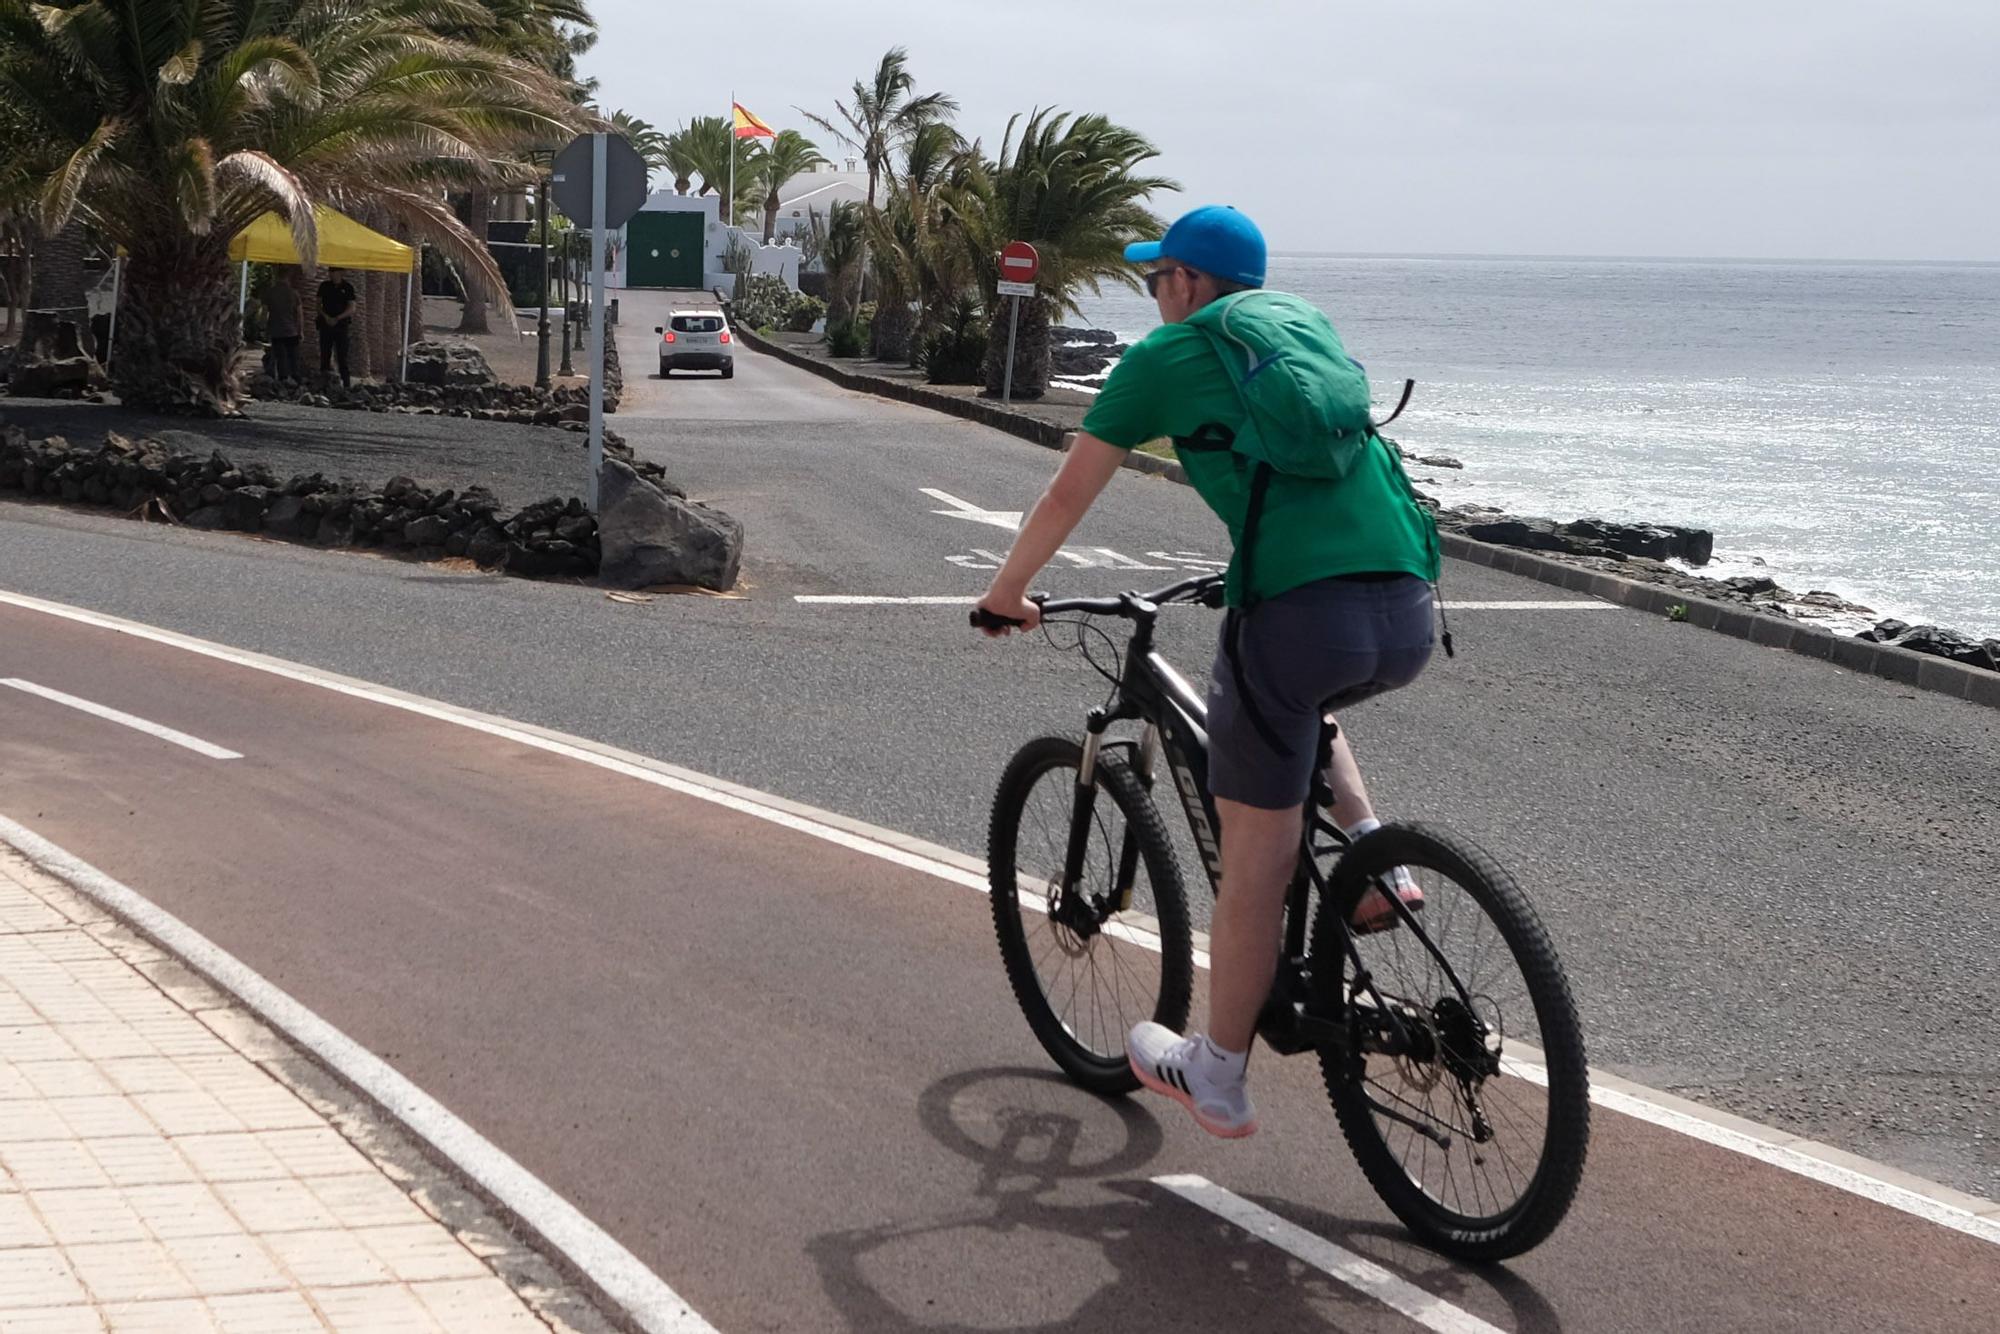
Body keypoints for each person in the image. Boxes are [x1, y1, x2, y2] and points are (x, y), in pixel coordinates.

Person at [973, 206, 1441, 1140]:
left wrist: (1007, 593)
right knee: (1302, 711)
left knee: (1253, 858)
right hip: (1409, 601)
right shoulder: (1302, 330)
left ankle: (1218, 1073)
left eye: (1158, 280)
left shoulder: (1165, 359)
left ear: (1187, 283)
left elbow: (1071, 488)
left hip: (1304, 615)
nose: (1154, 297)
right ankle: (1374, 857)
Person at [316, 268, 358, 387]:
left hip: (341, 326)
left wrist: (338, 318)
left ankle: (346, 383)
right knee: (325, 353)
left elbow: (352, 308)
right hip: (325, 324)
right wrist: (326, 317)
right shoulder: (324, 286)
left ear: (341, 273)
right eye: (330, 272)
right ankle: (323, 383)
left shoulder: (348, 287)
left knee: (342, 356)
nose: (332, 274)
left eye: (334, 272)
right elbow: (318, 304)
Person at [265, 275, 302, 384]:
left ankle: (283, 379)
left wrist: (264, 327)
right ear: (288, 278)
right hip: (291, 330)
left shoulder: (270, 292)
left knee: (281, 356)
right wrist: (300, 330)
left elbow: (264, 311)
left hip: (276, 330)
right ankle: (296, 377)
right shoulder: (294, 293)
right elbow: (299, 314)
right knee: (293, 356)